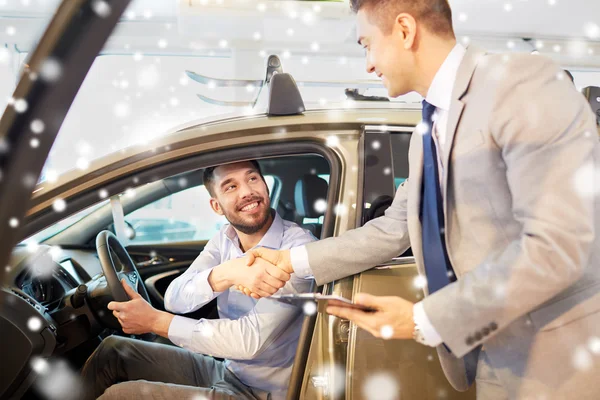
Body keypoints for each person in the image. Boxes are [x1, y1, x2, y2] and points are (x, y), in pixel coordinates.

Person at [238, 1, 600, 398]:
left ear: (405, 30)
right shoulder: (425, 132)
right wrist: (291, 261)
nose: (368, 66)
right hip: (493, 352)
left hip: (560, 358)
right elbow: (396, 227)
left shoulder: (520, 84)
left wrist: (423, 319)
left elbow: (558, 244)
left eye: (367, 45)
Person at [80, 160, 316, 400]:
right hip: (231, 372)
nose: (247, 192)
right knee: (113, 352)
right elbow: (175, 298)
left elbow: (249, 341)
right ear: (216, 206)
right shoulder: (225, 238)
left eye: (252, 178)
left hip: (263, 393)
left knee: (120, 396)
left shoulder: (297, 249)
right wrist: (227, 273)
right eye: (230, 186)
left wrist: (155, 322)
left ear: (265, 186)